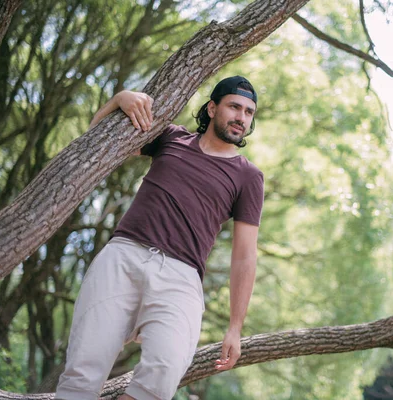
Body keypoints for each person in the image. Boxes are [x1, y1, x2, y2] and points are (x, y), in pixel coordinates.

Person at [54, 76, 264, 400]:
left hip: (181, 277)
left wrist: (235, 326)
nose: (242, 117)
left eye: (249, 112)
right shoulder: (170, 137)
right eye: (234, 107)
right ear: (212, 108)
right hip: (123, 256)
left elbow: (245, 256)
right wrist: (119, 98)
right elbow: (96, 143)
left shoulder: (248, 176)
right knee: (82, 372)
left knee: (161, 379)